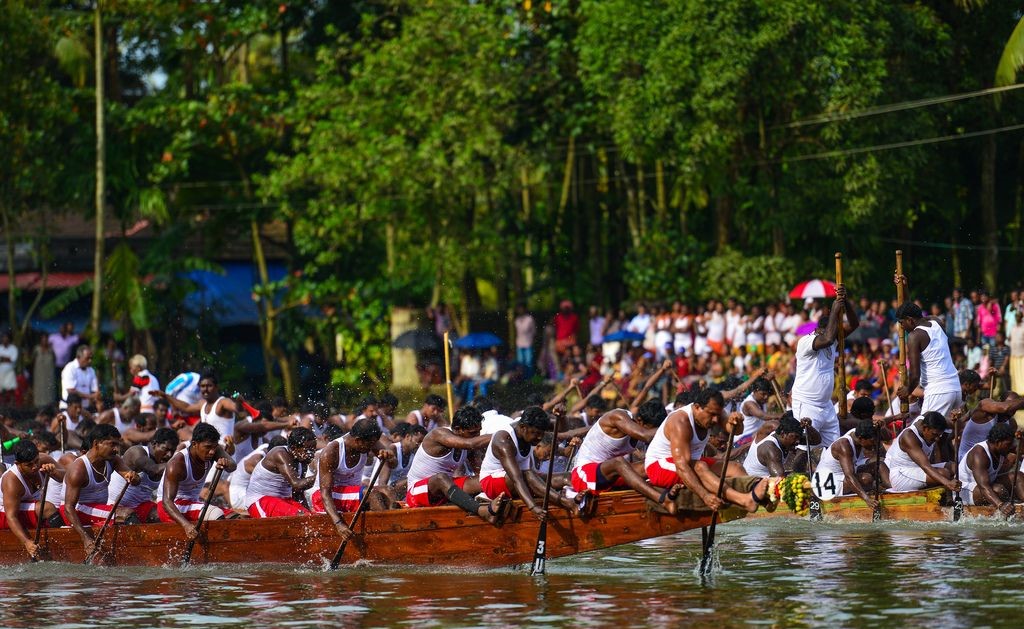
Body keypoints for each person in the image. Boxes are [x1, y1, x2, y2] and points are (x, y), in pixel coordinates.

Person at [644, 388, 772, 512]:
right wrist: (704, 495)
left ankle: (756, 499)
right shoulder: (680, 421)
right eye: (711, 415)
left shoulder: (715, 411)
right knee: (700, 466)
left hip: (691, 463)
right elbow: (682, 466)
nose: (715, 420)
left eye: (717, 415)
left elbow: (736, 431)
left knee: (735, 468)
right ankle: (744, 500)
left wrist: (737, 422)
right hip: (658, 468)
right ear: (697, 407)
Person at [568, 399, 681, 513]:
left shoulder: (642, 425)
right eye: (652, 429)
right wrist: (675, 426)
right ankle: (662, 500)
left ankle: (679, 487)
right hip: (583, 476)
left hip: (609, 477)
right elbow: (646, 435)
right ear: (639, 421)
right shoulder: (617, 416)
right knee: (619, 462)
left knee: (650, 464)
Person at [404, 406, 511, 524]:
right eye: (472, 433)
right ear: (458, 429)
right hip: (415, 494)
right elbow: (471, 443)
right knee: (441, 478)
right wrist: (505, 434)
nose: (478, 435)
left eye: (479, 431)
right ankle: (482, 511)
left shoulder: (469, 443)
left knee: (483, 480)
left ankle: (501, 501)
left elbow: (481, 472)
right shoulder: (439, 434)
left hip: (446, 489)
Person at [478, 406, 579, 520]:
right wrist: (533, 507)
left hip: (522, 478)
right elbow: (517, 479)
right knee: (527, 474)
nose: (540, 437)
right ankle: (566, 502)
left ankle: (582, 493)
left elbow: (562, 428)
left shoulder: (531, 425)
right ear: (523, 428)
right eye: (536, 433)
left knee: (567, 476)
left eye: (542, 433)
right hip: (492, 484)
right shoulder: (504, 441)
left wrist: (561, 416)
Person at [790, 286, 858, 447]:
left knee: (833, 448)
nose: (837, 337)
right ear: (820, 330)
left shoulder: (832, 337)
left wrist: (845, 301)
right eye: (835, 332)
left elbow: (854, 324)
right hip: (806, 403)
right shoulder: (806, 342)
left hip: (826, 405)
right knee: (803, 448)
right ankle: (797, 473)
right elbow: (827, 338)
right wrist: (834, 308)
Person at [62, 424, 140, 555]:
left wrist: (134, 477)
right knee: (127, 514)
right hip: (74, 511)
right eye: (112, 444)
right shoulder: (79, 469)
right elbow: (68, 508)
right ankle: (134, 553)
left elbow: (136, 481)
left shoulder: (113, 460)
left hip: (95, 509)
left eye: (118, 444)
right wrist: (85, 539)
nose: (116, 449)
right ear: (96, 443)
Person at [312, 418, 393, 539]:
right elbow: (325, 493)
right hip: (323, 498)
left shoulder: (368, 440)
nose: (372, 448)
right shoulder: (331, 451)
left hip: (351, 494)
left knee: (388, 491)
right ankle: (387, 536)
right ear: (358, 440)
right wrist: (338, 524)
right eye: (370, 445)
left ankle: (395, 526)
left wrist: (389, 456)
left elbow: (392, 463)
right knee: (371, 495)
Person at [893, 286, 966, 419]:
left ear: (909, 320)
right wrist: (904, 287)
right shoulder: (937, 322)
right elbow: (916, 314)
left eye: (902, 323)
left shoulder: (914, 336)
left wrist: (907, 391)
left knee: (920, 434)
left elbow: (915, 375)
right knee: (942, 435)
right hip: (955, 388)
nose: (901, 327)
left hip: (938, 392)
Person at [158, 423, 236, 539]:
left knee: (236, 517)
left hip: (192, 503)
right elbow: (167, 502)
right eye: (208, 447)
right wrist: (186, 525)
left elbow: (232, 466)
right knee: (216, 514)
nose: (212, 452)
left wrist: (225, 462)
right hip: (170, 508)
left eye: (214, 447)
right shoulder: (177, 464)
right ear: (194, 444)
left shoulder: (214, 450)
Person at [0, 440, 60, 559]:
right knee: (48, 508)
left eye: (36, 461)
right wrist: (26, 542)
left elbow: (68, 476)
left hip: (22, 508)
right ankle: (64, 541)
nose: (35, 467)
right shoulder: (12, 480)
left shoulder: (44, 459)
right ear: (17, 464)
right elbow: (11, 516)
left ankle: (62, 539)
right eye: (29, 465)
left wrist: (54, 472)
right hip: (4, 513)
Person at [108, 428, 179, 523]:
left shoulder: (168, 463)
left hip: (140, 506)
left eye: (172, 451)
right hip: (114, 505)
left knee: (163, 516)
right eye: (165, 449)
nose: (169, 455)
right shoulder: (136, 452)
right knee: (131, 517)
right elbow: (154, 470)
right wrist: (179, 464)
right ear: (154, 444)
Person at [156, 369, 242, 445]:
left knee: (184, 443)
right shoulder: (202, 404)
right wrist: (165, 396)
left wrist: (239, 402)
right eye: (203, 386)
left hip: (224, 449)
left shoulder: (223, 402)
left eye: (209, 386)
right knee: (181, 432)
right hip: (207, 449)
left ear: (216, 387)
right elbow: (186, 407)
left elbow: (237, 408)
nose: (205, 389)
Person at [246, 427, 317, 518]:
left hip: (283, 500)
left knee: (310, 518)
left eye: (313, 450)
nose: (311, 454)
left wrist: (308, 510)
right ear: (294, 448)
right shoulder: (279, 454)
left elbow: (298, 492)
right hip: (260, 501)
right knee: (301, 518)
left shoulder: (301, 459)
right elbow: (297, 484)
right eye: (308, 450)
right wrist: (320, 475)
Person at [812, 419, 885, 508]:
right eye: (872, 441)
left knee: (879, 465)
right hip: (826, 485)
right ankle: (869, 490)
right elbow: (849, 476)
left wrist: (880, 424)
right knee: (866, 478)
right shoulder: (844, 446)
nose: (874, 445)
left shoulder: (858, 432)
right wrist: (866, 499)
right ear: (861, 438)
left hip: (841, 476)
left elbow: (886, 436)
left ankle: (892, 491)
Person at [884, 412, 959, 493]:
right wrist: (947, 483)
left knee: (954, 467)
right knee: (944, 474)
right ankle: (942, 495)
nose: (937, 439)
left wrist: (955, 420)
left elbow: (956, 424)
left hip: (917, 469)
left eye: (939, 436)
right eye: (934, 434)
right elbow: (926, 466)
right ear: (924, 428)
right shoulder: (909, 437)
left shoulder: (927, 419)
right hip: (901, 476)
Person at [959, 423, 1018, 514]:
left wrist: (1020, 438)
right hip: (965, 491)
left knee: (1018, 477)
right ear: (998, 442)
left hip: (987, 486)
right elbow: (983, 486)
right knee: (999, 490)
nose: (1010, 447)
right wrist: (1000, 505)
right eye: (1008, 444)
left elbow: (1019, 450)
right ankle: (1007, 510)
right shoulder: (979, 453)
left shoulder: (1001, 448)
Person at [954, 392, 1024, 460]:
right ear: (999, 401)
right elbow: (1005, 407)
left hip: (990, 462)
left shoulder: (1012, 423)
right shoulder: (985, 406)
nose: (1011, 411)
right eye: (1010, 404)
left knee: (1012, 458)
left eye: (1014, 408)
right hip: (968, 460)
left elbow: (1011, 448)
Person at [369, 423, 427, 502]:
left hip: (397, 490)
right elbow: (382, 483)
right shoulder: (393, 449)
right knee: (412, 479)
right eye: (418, 441)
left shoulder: (414, 454)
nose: (419, 445)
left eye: (422, 443)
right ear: (407, 437)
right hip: (380, 490)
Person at [742, 414, 811, 479]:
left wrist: (809, 427)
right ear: (783, 434)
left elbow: (816, 441)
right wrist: (807, 475)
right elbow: (780, 479)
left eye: (799, 438)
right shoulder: (771, 449)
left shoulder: (788, 436)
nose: (798, 441)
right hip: (751, 481)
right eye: (795, 437)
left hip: (767, 478)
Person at [229, 436, 286, 512]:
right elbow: (269, 484)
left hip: (250, 490)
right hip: (238, 496)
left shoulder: (267, 448)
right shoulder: (257, 460)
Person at [736, 378, 779, 447]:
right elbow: (763, 416)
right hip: (742, 441)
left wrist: (774, 379)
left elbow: (778, 392)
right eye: (763, 394)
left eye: (767, 394)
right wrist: (782, 415)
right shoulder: (749, 403)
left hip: (756, 436)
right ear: (755, 391)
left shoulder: (762, 399)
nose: (766, 397)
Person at [60, 345, 99, 411]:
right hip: (69, 408)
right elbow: (71, 391)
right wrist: (90, 396)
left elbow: (95, 391)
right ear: (78, 357)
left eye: (91, 358)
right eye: (87, 358)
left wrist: (96, 396)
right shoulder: (70, 368)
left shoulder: (91, 370)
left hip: (85, 408)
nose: (90, 361)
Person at [32, 334, 56, 408]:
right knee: (39, 389)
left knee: (49, 390)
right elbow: (32, 361)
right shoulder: (36, 350)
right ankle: (38, 406)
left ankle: (49, 405)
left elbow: (55, 360)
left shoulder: (51, 350)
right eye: (43, 339)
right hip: (39, 374)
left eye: (46, 339)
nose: (44, 341)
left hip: (49, 374)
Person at [515, 303, 537, 377]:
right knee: (520, 362)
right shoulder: (517, 320)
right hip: (519, 344)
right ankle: (522, 378)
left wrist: (532, 341)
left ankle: (529, 378)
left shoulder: (529, 319)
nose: (520, 310)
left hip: (528, 343)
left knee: (528, 362)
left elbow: (534, 331)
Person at [0, 331, 18, 406]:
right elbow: (9, 359)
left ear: (9, 339)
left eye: (6, 338)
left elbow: (13, 359)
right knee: (2, 391)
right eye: (3, 338)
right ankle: (3, 407)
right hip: (1, 372)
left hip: (10, 372)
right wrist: (7, 359)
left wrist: (2, 358)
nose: (5, 339)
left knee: (11, 390)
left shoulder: (13, 348)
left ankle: (12, 406)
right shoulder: (0, 348)